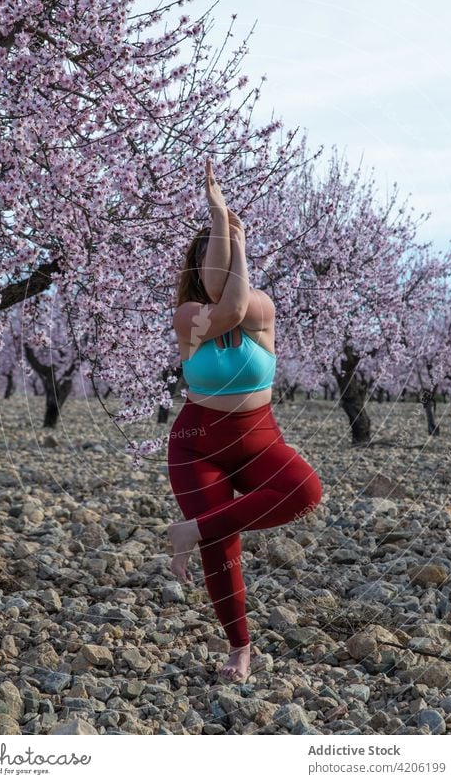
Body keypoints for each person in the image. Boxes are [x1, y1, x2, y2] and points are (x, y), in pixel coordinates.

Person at [167, 158, 323, 682]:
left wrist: (232, 237)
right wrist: (219, 224)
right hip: (196, 444)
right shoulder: (188, 316)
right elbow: (221, 307)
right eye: (213, 257)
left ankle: (192, 530)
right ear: (197, 268)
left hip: (259, 440)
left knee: (305, 492)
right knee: (223, 544)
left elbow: (234, 303)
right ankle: (240, 647)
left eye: (229, 257)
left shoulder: (261, 307)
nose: (221, 271)